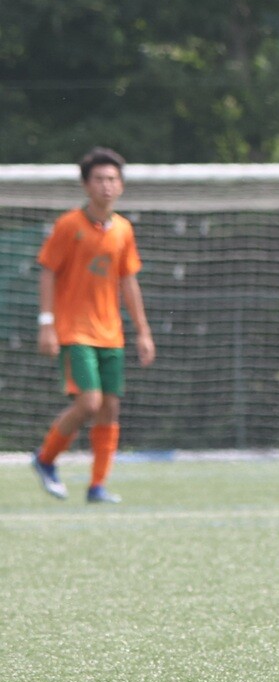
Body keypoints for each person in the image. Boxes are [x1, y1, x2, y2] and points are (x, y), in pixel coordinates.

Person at [32, 147, 156, 504]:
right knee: (88, 403)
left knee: (109, 407)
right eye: (99, 179)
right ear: (86, 185)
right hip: (74, 331)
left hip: (110, 333)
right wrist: (47, 324)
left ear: (121, 186)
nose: (107, 185)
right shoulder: (69, 225)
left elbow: (129, 281)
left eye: (113, 179)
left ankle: (97, 486)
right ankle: (45, 459)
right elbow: (48, 271)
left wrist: (143, 331)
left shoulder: (123, 230)